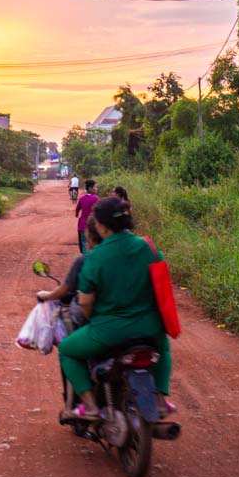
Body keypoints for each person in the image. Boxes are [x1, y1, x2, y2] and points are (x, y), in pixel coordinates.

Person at [58, 195, 173, 422]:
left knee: (67, 350)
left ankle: (90, 406)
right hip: (150, 329)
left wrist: (94, 322)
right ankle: (160, 399)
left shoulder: (96, 257)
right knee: (164, 348)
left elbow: (85, 303)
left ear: (100, 226)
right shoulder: (148, 248)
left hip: (109, 332)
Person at [36, 216, 103, 328]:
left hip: (102, 324)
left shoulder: (85, 261)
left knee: (66, 346)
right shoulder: (132, 252)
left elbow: (84, 302)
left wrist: (46, 296)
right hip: (133, 320)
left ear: (91, 237)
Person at [74, 179, 98, 254]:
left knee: (84, 243)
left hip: (82, 224)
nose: (96, 189)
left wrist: (77, 214)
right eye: (95, 187)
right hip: (92, 225)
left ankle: (85, 259)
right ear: (90, 188)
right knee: (94, 243)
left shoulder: (82, 198)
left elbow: (77, 209)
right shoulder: (96, 198)